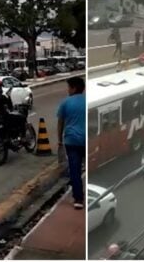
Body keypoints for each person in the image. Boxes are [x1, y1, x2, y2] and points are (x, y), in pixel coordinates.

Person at [57, 77, 85, 209]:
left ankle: (78, 199)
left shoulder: (65, 102)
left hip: (71, 141)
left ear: (74, 88)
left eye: (68, 87)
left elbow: (60, 122)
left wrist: (59, 140)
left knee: (75, 170)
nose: (67, 90)